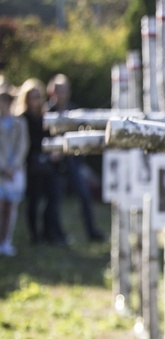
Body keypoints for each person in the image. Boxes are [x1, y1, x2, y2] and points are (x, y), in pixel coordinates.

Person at [47, 74, 104, 242]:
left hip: (72, 161)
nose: (62, 94)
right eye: (59, 90)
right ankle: (55, 234)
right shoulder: (47, 111)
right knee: (55, 200)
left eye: (65, 90)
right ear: (52, 92)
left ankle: (91, 231)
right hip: (54, 164)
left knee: (85, 196)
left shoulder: (74, 110)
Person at [17, 78, 67, 245]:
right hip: (32, 165)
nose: (36, 100)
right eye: (32, 96)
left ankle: (48, 233)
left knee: (52, 198)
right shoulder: (22, 118)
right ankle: (35, 236)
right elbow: (25, 143)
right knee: (34, 201)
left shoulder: (45, 116)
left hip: (48, 164)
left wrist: (54, 151)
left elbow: (51, 137)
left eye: (38, 96)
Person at [0, 85, 29, 256]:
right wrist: (3, 167)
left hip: (15, 171)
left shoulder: (19, 122)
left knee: (11, 207)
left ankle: (6, 241)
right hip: (2, 172)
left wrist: (14, 166)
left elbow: (22, 146)